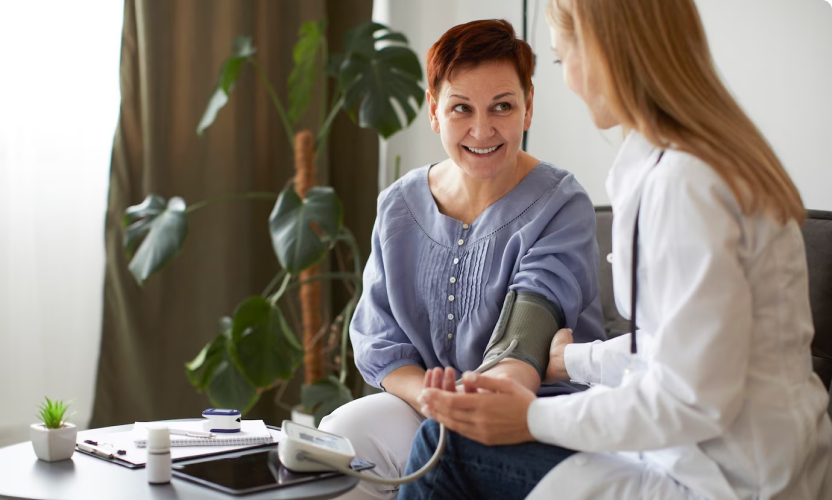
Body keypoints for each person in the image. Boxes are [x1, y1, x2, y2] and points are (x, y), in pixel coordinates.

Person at [399, 1, 832, 499]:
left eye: (563, 59)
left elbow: (693, 398)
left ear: (603, 52)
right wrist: (573, 361)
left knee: (444, 445)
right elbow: (683, 349)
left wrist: (530, 417)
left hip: (722, 482)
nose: (570, 81)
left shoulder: (683, 184)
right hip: (735, 459)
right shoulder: (696, 159)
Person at [318, 19, 605, 500]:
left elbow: (529, 328)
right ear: (435, 111)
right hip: (429, 407)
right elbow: (381, 343)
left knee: (446, 443)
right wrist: (434, 399)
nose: (482, 129)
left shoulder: (561, 203)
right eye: (461, 108)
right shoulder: (399, 205)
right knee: (340, 438)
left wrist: (472, 404)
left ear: (528, 106)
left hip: (533, 410)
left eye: (502, 106)